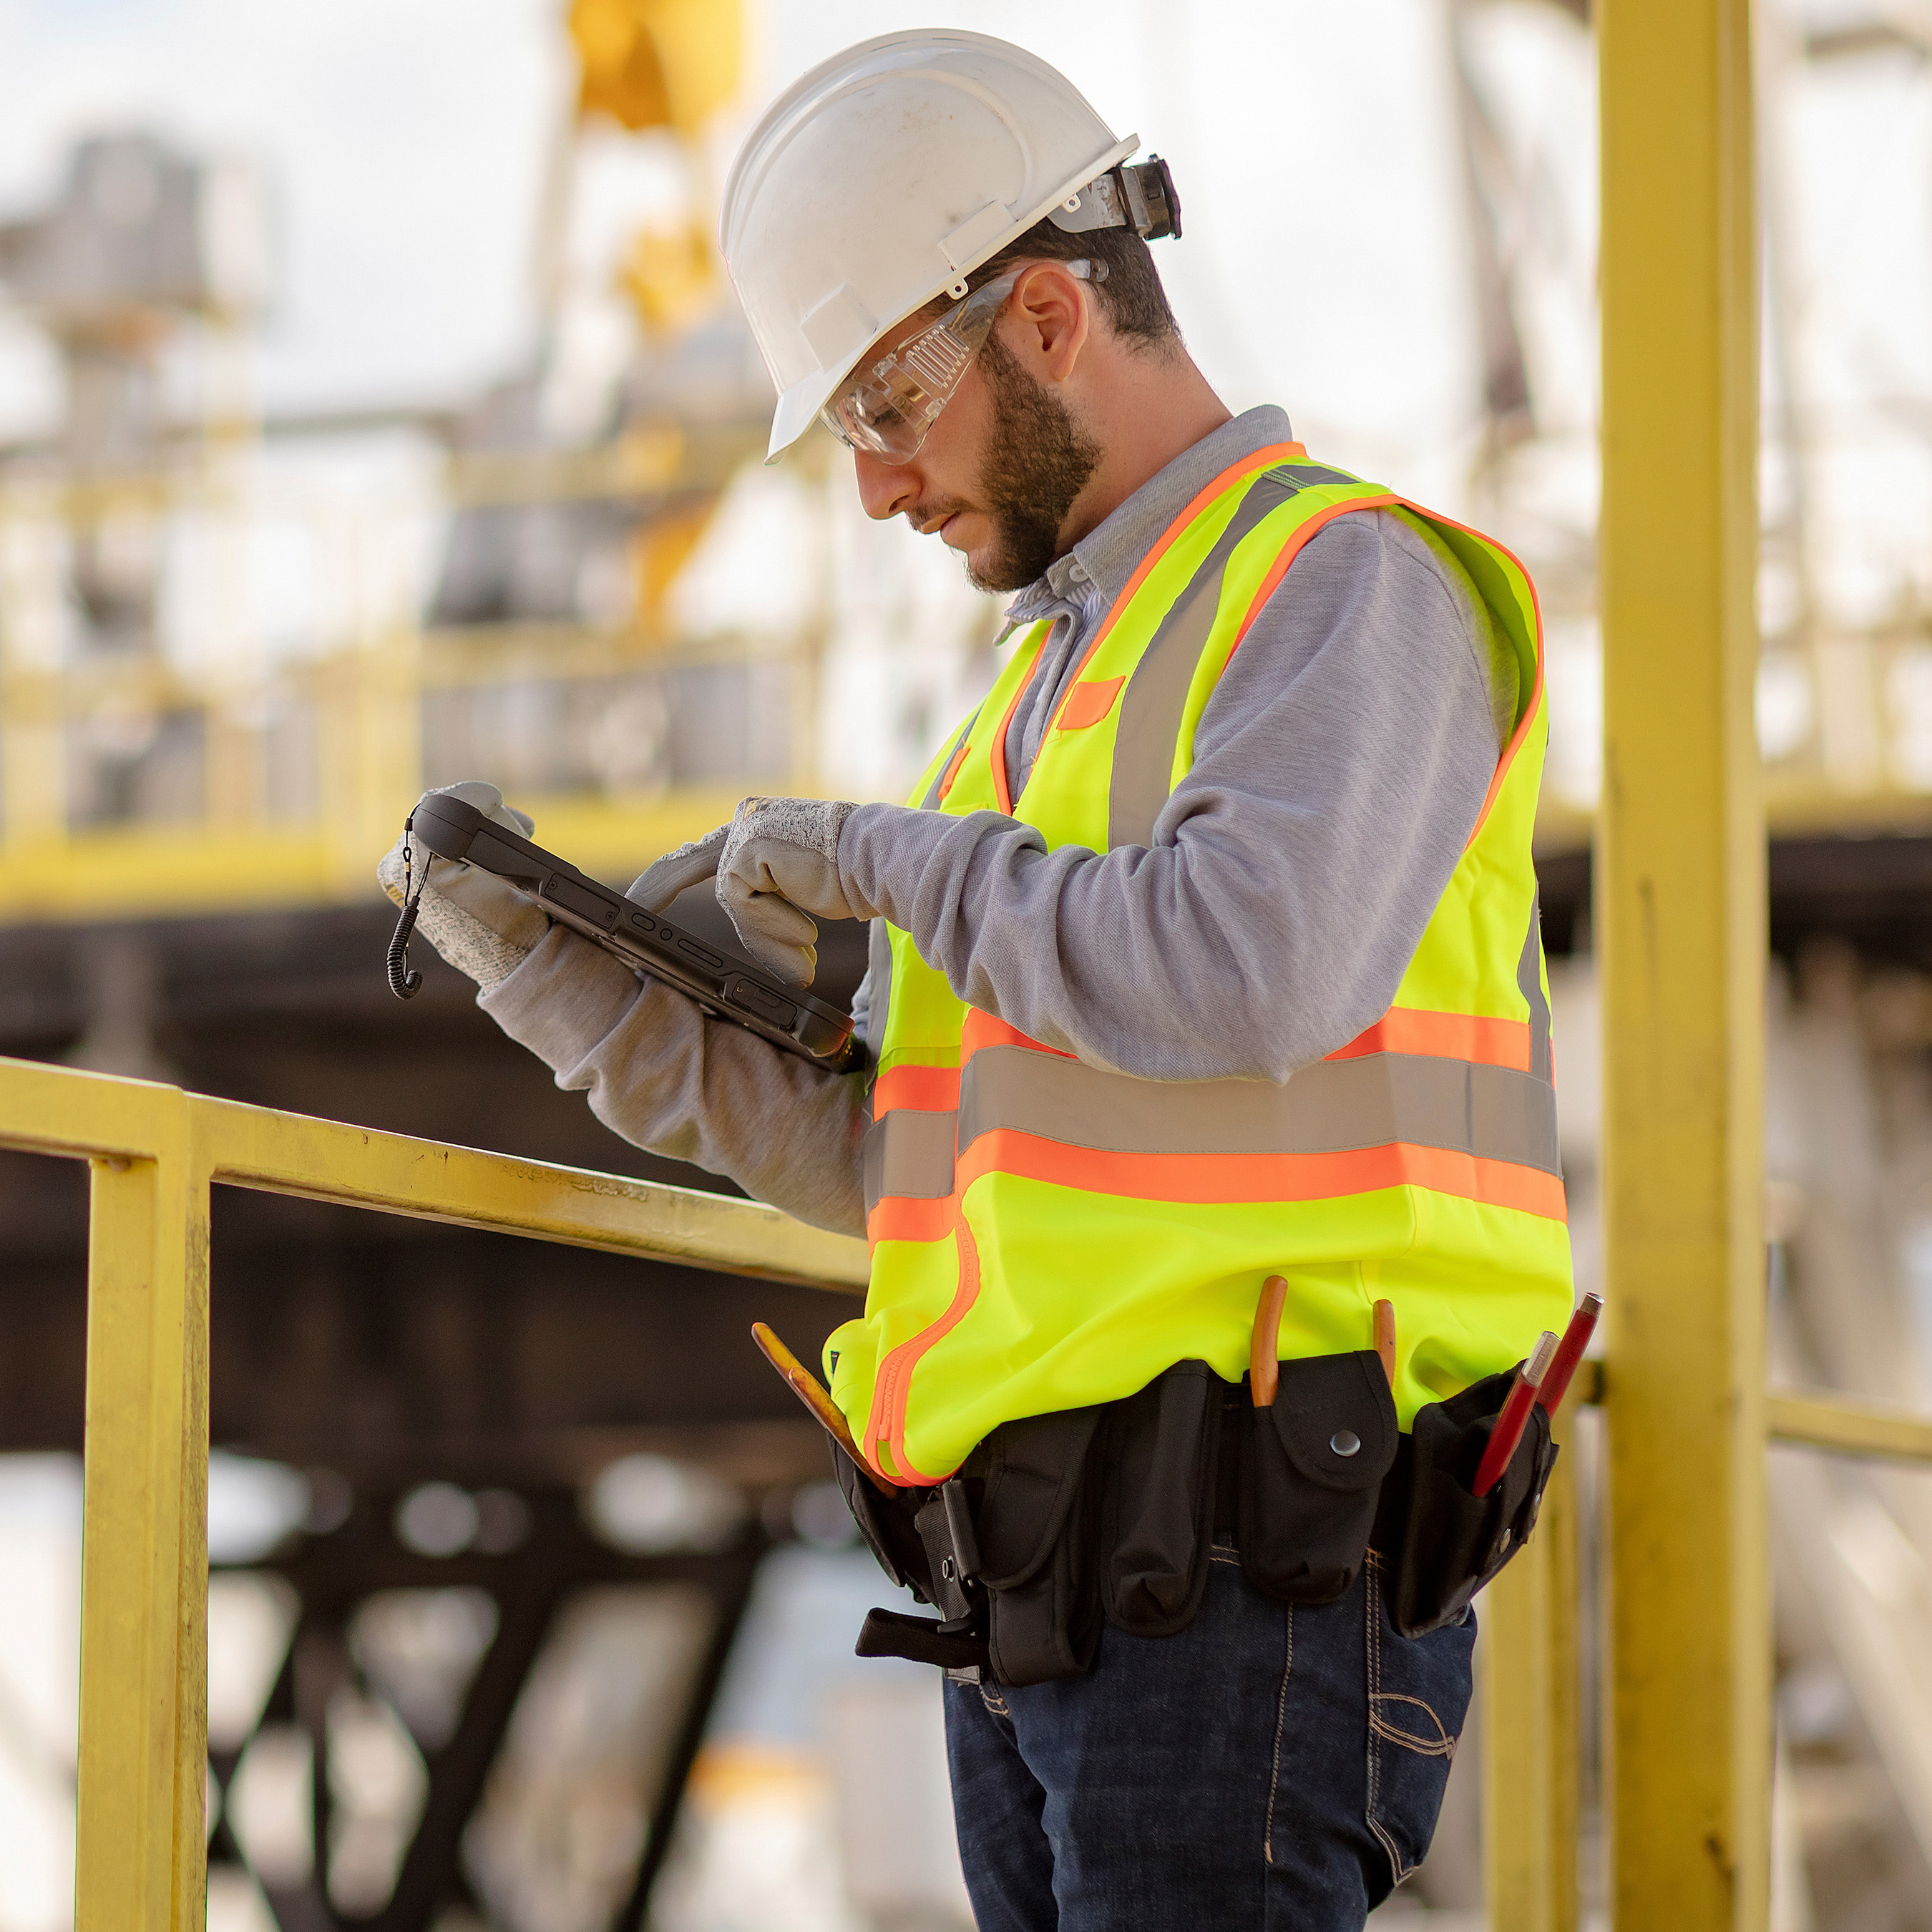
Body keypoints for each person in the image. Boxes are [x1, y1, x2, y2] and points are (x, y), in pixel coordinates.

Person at [382, 30, 1574, 1930]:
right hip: (1035, 1595)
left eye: (882, 405)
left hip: (1251, 1578)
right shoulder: (1027, 712)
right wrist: (570, 990)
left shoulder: (1340, 586)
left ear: (1038, 314)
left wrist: (857, 854)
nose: (870, 488)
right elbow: (908, 1161)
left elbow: (1238, 973)